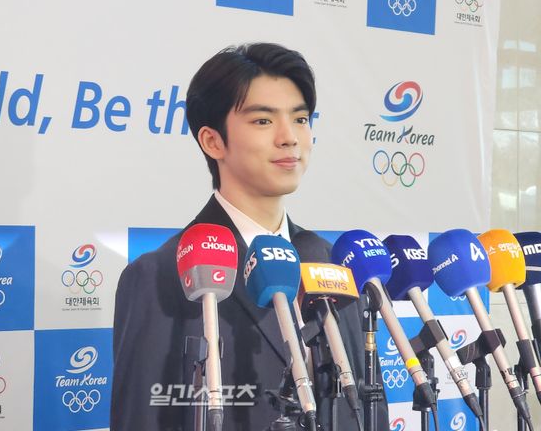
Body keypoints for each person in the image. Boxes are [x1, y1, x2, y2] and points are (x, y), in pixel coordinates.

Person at [111, 43, 389, 430]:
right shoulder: (159, 275)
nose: (289, 137)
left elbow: (368, 409)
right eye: (263, 121)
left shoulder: (332, 262)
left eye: (301, 119)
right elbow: (143, 417)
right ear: (213, 141)